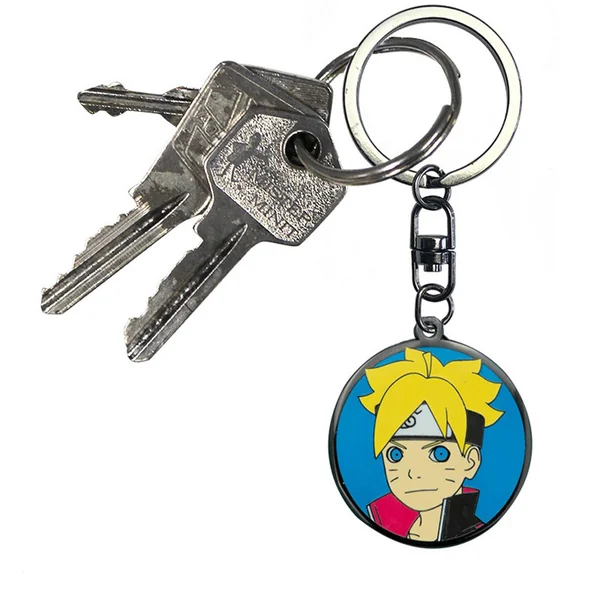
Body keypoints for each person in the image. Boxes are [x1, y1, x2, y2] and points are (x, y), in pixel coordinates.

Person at [360, 348, 503, 543]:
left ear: (470, 462)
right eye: (396, 454)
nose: (414, 472)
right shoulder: (381, 523)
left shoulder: (479, 536)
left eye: (439, 453)